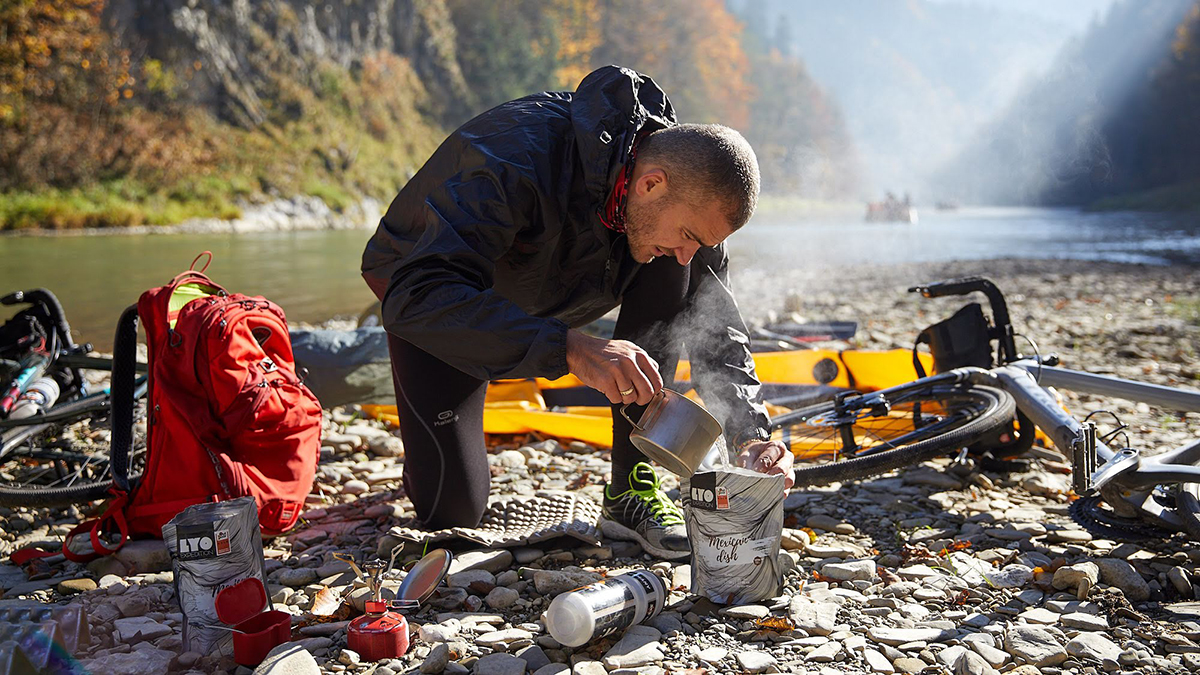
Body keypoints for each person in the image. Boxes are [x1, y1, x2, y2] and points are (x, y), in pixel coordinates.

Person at [361, 65, 793, 560]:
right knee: (451, 511)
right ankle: (422, 457)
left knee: (676, 271)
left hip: (549, 304)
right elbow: (415, 293)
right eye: (692, 235)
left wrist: (753, 437)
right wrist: (569, 348)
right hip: (445, 305)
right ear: (651, 184)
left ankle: (632, 488)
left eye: (703, 243)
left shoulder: (688, 195)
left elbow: (716, 325)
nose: (688, 251)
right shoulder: (511, 155)